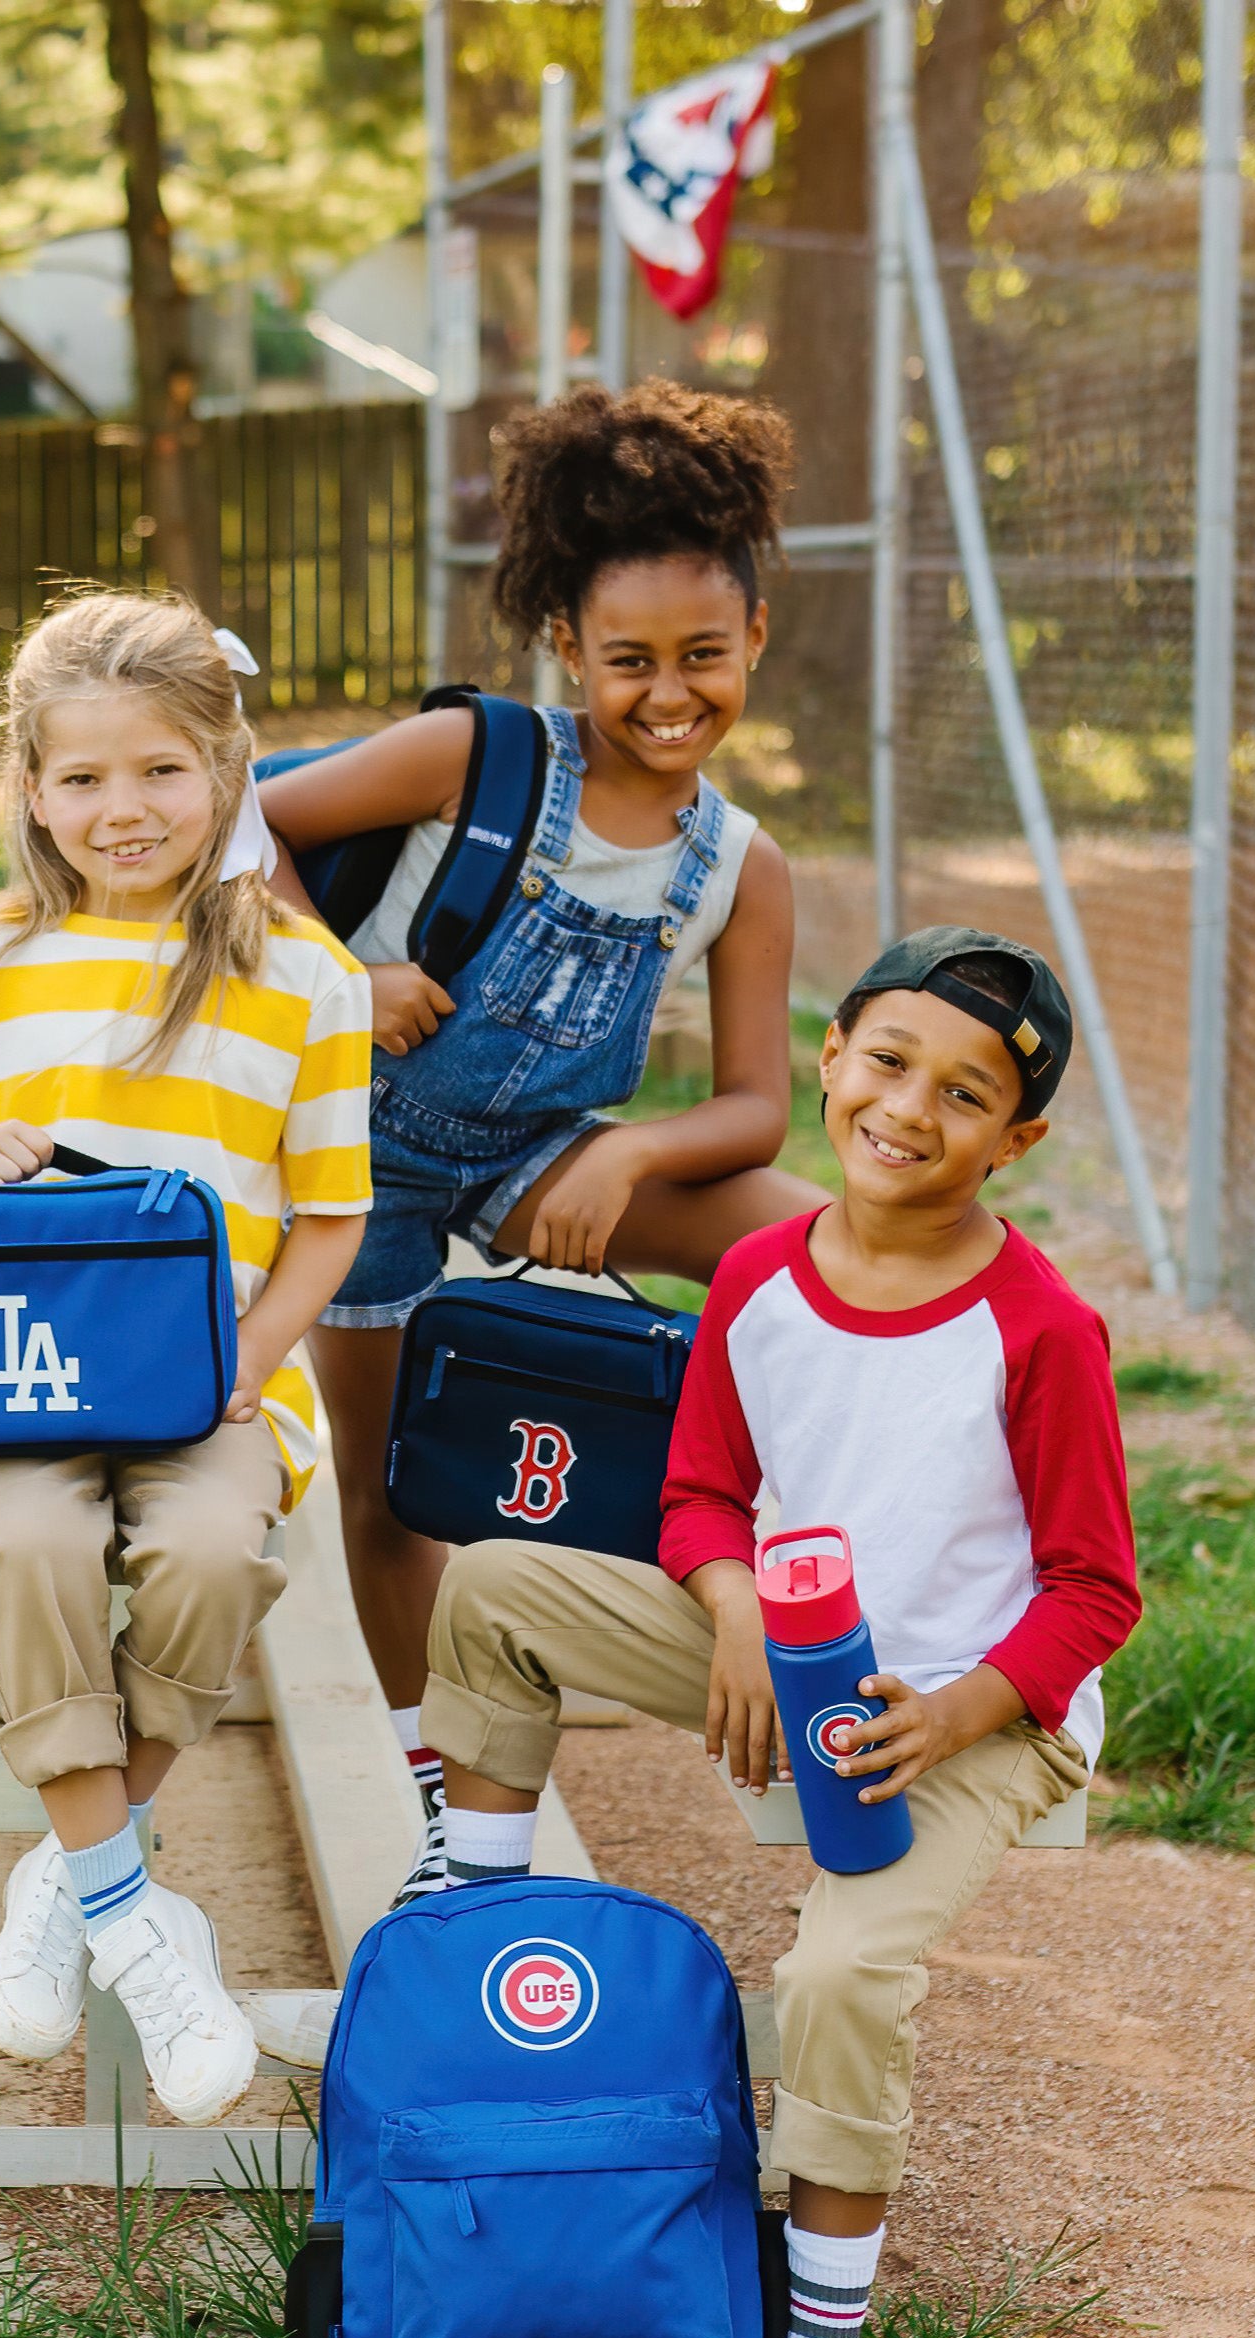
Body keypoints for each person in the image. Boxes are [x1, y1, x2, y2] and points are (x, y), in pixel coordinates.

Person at [415, 928, 1141, 2338]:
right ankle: (473, 1926)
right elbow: (701, 1492)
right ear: (831, 1057)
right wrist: (731, 1607)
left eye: (967, 1096)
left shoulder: (1040, 1332)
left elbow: (1098, 1591)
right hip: (790, 1646)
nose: (912, 1109)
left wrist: (959, 1709)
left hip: (969, 1705)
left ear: (1014, 1142)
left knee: (834, 1976)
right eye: (888, 1062)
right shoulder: (757, 1275)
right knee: (502, 1585)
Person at [253, 381, 826, 1893]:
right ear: (566, 646)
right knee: (395, 1485)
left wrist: (632, 1154)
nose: (669, 693)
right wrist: (346, 973)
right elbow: (246, 833)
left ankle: (810, 1568)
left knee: (808, 1246)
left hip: (539, 1153)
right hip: (353, 1147)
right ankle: (442, 1792)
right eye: (627, 659)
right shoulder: (480, 759)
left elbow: (761, 1107)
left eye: (705, 657)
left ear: (756, 640)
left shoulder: (742, 867)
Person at [0, 593, 372, 2127]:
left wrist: (251, 1363)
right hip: (14, 1369)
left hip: (212, 1379)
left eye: (159, 771)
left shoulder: (305, 975)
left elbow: (333, 1224)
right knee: (23, 1541)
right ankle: (137, 1916)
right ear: (30, 788)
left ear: (225, 771)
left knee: (214, 1549)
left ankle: (70, 1877)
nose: (121, 809)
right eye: (80, 778)